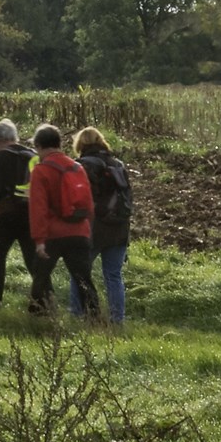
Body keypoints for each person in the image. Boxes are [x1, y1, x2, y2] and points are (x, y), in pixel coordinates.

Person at [23, 123, 99, 318]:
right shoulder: (77, 167)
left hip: (52, 234)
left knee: (40, 278)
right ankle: (96, 321)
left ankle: (39, 320)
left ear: (39, 146)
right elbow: (89, 204)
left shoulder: (41, 170)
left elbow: (37, 208)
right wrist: (86, 230)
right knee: (84, 281)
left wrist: (39, 240)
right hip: (79, 232)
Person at [71, 126, 134, 325]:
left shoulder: (80, 166)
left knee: (79, 274)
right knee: (114, 276)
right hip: (119, 228)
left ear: (80, 144)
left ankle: (79, 316)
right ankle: (118, 320)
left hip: (93, 229)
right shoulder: (118, 165)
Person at [0, 121, 43, 311]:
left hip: (6, 215)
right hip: (30, 215)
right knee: (33, 261)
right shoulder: (33, 156)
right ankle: (41, 304)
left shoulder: (0, 157)